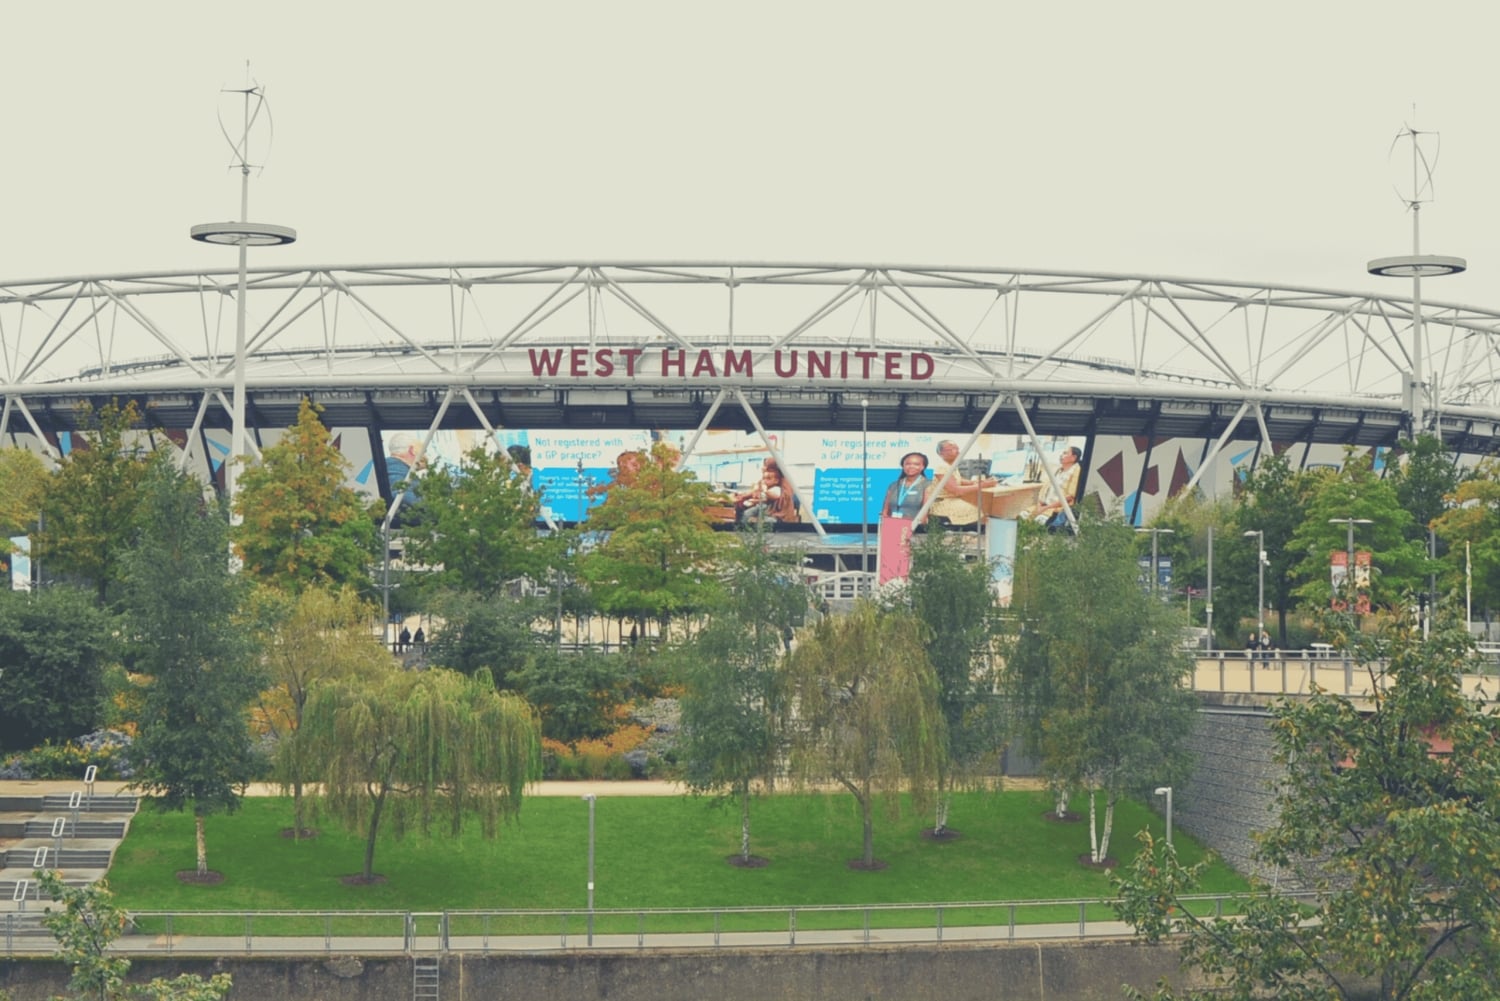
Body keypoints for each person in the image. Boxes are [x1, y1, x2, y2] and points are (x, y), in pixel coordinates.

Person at [929, 439, 998, 530]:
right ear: (941, 453)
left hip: (949, 499)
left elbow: (959, 480)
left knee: (981, 506)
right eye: (951, 449)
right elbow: (956, 491)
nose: (957, 451)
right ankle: (973, 534)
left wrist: (976, 482)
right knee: (976, 510)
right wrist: (983, 485)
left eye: (957, 448)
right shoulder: (942, 467)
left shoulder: (951, 466)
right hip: (942, 503)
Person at [734, 457, 799, 527]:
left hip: (779, 513)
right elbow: (757, 490)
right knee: (746, 513)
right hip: (767, 507)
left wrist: (763, 495)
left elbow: (778, 498)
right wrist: (744, 496)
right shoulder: (767, 476)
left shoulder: (784, 481)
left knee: (763, 520)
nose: (763, 467)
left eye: (765, 465)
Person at [1030, 446, 1083, 527]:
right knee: (1022, 517)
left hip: (1057, 509)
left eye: (1065, 453)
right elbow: (1045, 489)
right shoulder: (1058, 470)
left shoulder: (1076, 472)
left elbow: (1070, 497)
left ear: (1074, 457)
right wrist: (1040, 504)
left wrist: (1046, 507)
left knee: (1036, 525)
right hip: (1045, 506)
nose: (1061, 455)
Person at [881, 452, 932, 525]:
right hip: (892, 528)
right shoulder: (893, 485)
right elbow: (885, 511)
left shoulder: (928, 484)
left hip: (915, 528)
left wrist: (917, 528)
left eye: (916, 464)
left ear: (923, 467)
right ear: (903, 466)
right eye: (908, 464)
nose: (911, 466)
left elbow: (925, 511)